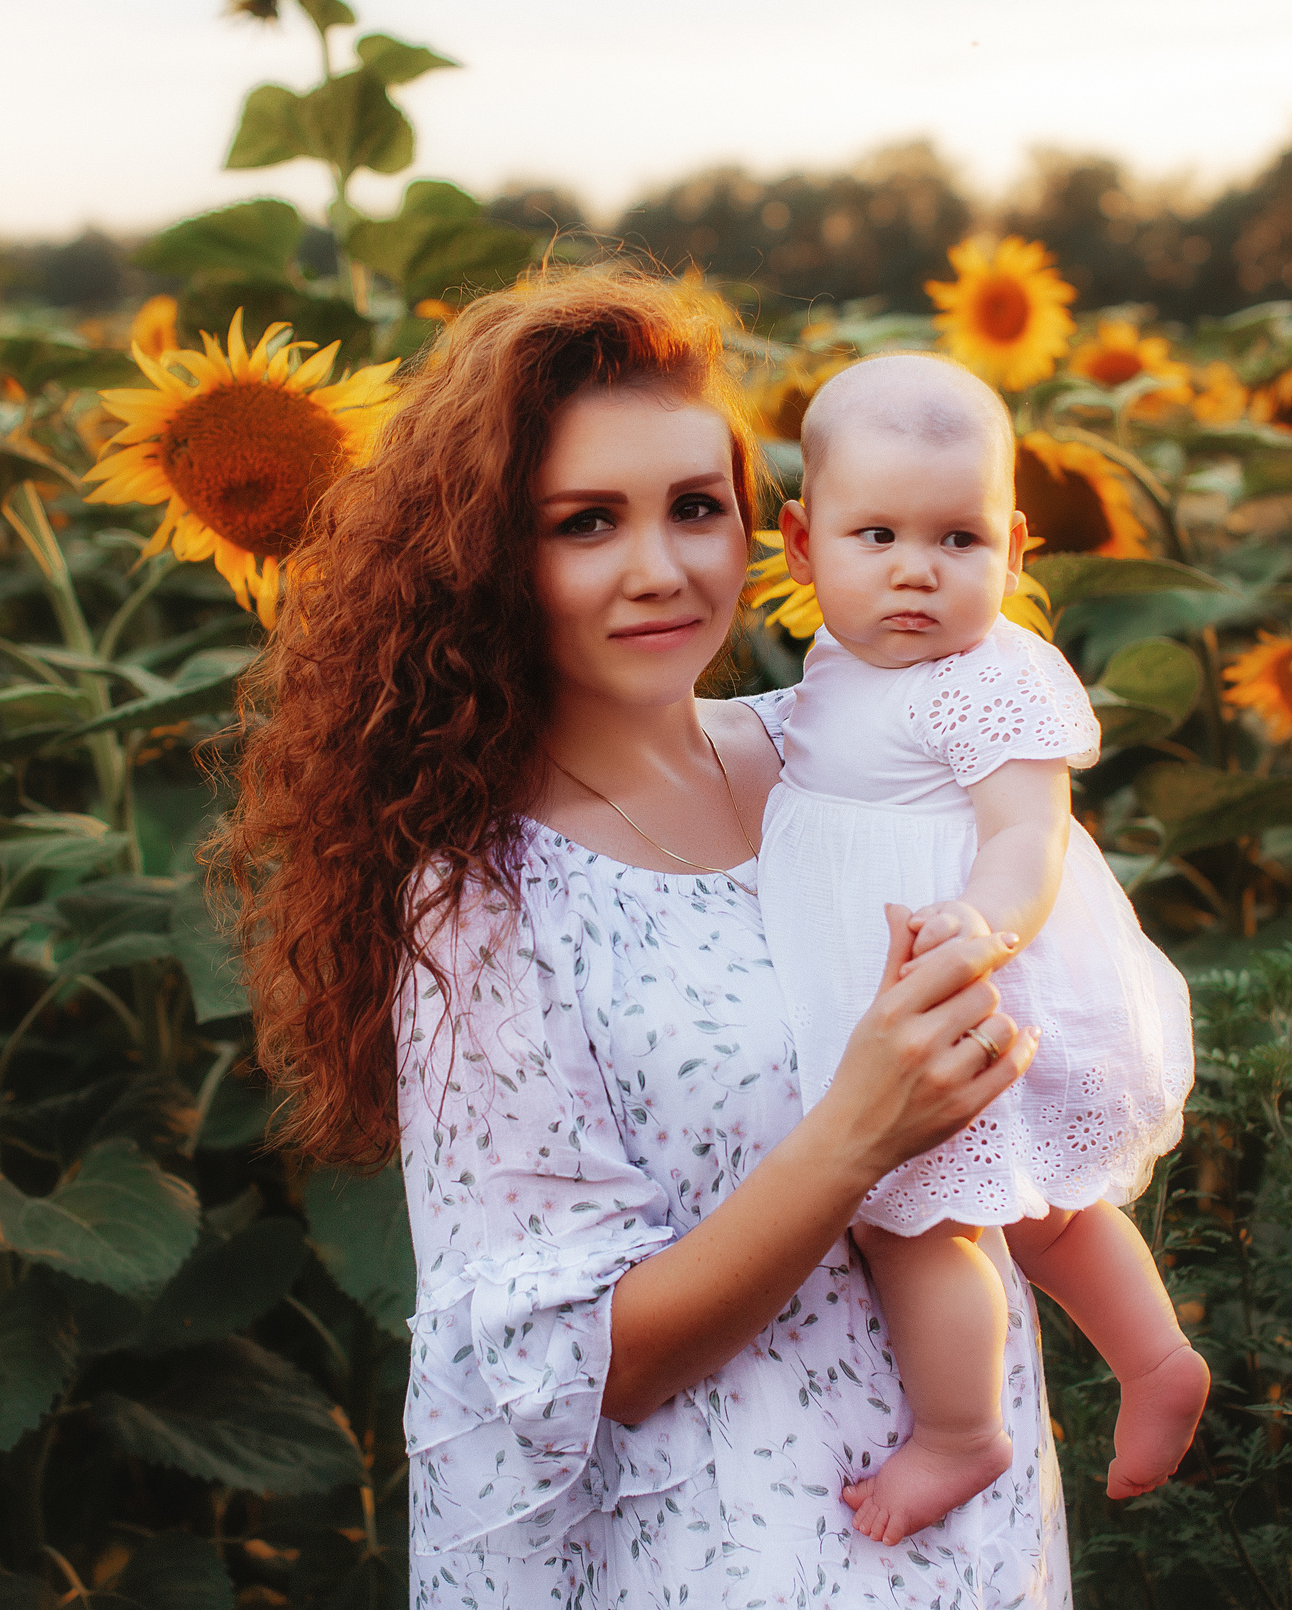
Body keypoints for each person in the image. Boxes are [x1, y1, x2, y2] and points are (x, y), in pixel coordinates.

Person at [219, 267, 1074, 1606]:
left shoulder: (846, 766)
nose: (659, 568)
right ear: (493, 554)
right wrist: (859, 1129)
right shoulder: (488, 898)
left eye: (693, 506)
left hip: (965, 1543)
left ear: (766, 525)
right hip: (722, 1560)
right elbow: (576, 1362)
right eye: (585, 522)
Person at [761, 353, 1207, 1546]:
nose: (917, 569)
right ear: (803, 547)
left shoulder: (992, 677)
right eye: (878, 537)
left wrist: (980, 926)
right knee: (1034, 1209)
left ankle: (962, 1435)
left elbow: (1028, 835)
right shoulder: (837, 663)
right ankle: (1156, 1360)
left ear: (1015, 548)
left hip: (970, 979)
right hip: (913, 987)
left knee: (913, 1220)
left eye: (958, 540)